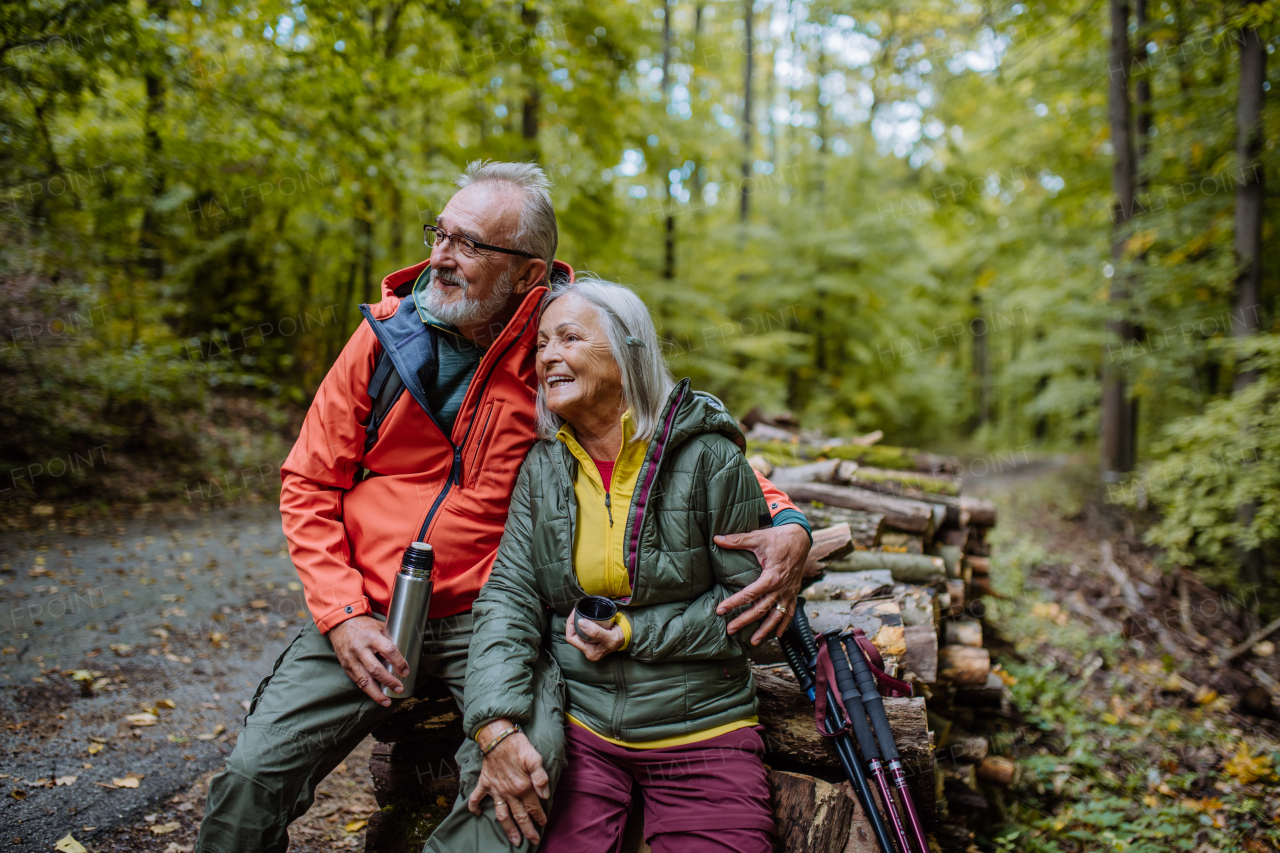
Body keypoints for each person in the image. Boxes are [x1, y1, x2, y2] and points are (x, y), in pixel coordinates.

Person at [193, 160, 812, 853]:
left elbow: (662, 436)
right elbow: (308, 483)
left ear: (527, 272)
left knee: (521, 771)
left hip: (491, 617)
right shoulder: (384, 338)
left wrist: (786, 519)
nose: (440, 257)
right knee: (251, 775)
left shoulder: (560, 344)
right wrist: (341, 614)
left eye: (468, 244)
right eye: (440, 234)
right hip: (367, 608)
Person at [463, 277, 784, 853]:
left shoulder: (710, 457)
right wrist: (494, 721)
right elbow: (507, 598)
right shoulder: (542, 467)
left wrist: (633, 634)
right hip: (581, 731)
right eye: (541, 344)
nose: (548, 356)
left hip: (704, 730)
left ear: (629, 348)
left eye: (569, 338)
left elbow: (753, 614)